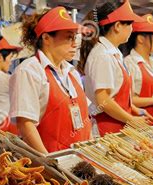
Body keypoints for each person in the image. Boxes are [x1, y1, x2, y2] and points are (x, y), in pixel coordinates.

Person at [9, 7, 91, 154]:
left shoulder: (72, 72)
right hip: (52, 168)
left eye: (75, 37)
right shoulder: (29, 71)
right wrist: (49, 163)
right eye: (68, 37)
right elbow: (25, 124)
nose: (75, 44)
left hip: (81, 160)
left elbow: (85, 118)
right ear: (46, 38)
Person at [78, 0, 153, 137]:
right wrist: (131, 119)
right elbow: (103, 101)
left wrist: (135, 109)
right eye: (130, 24)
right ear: (117, 26)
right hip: (106, 129)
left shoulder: (113, 53)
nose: (132, 28)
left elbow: (115, 94)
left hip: (117, 126)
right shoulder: (102, 55)